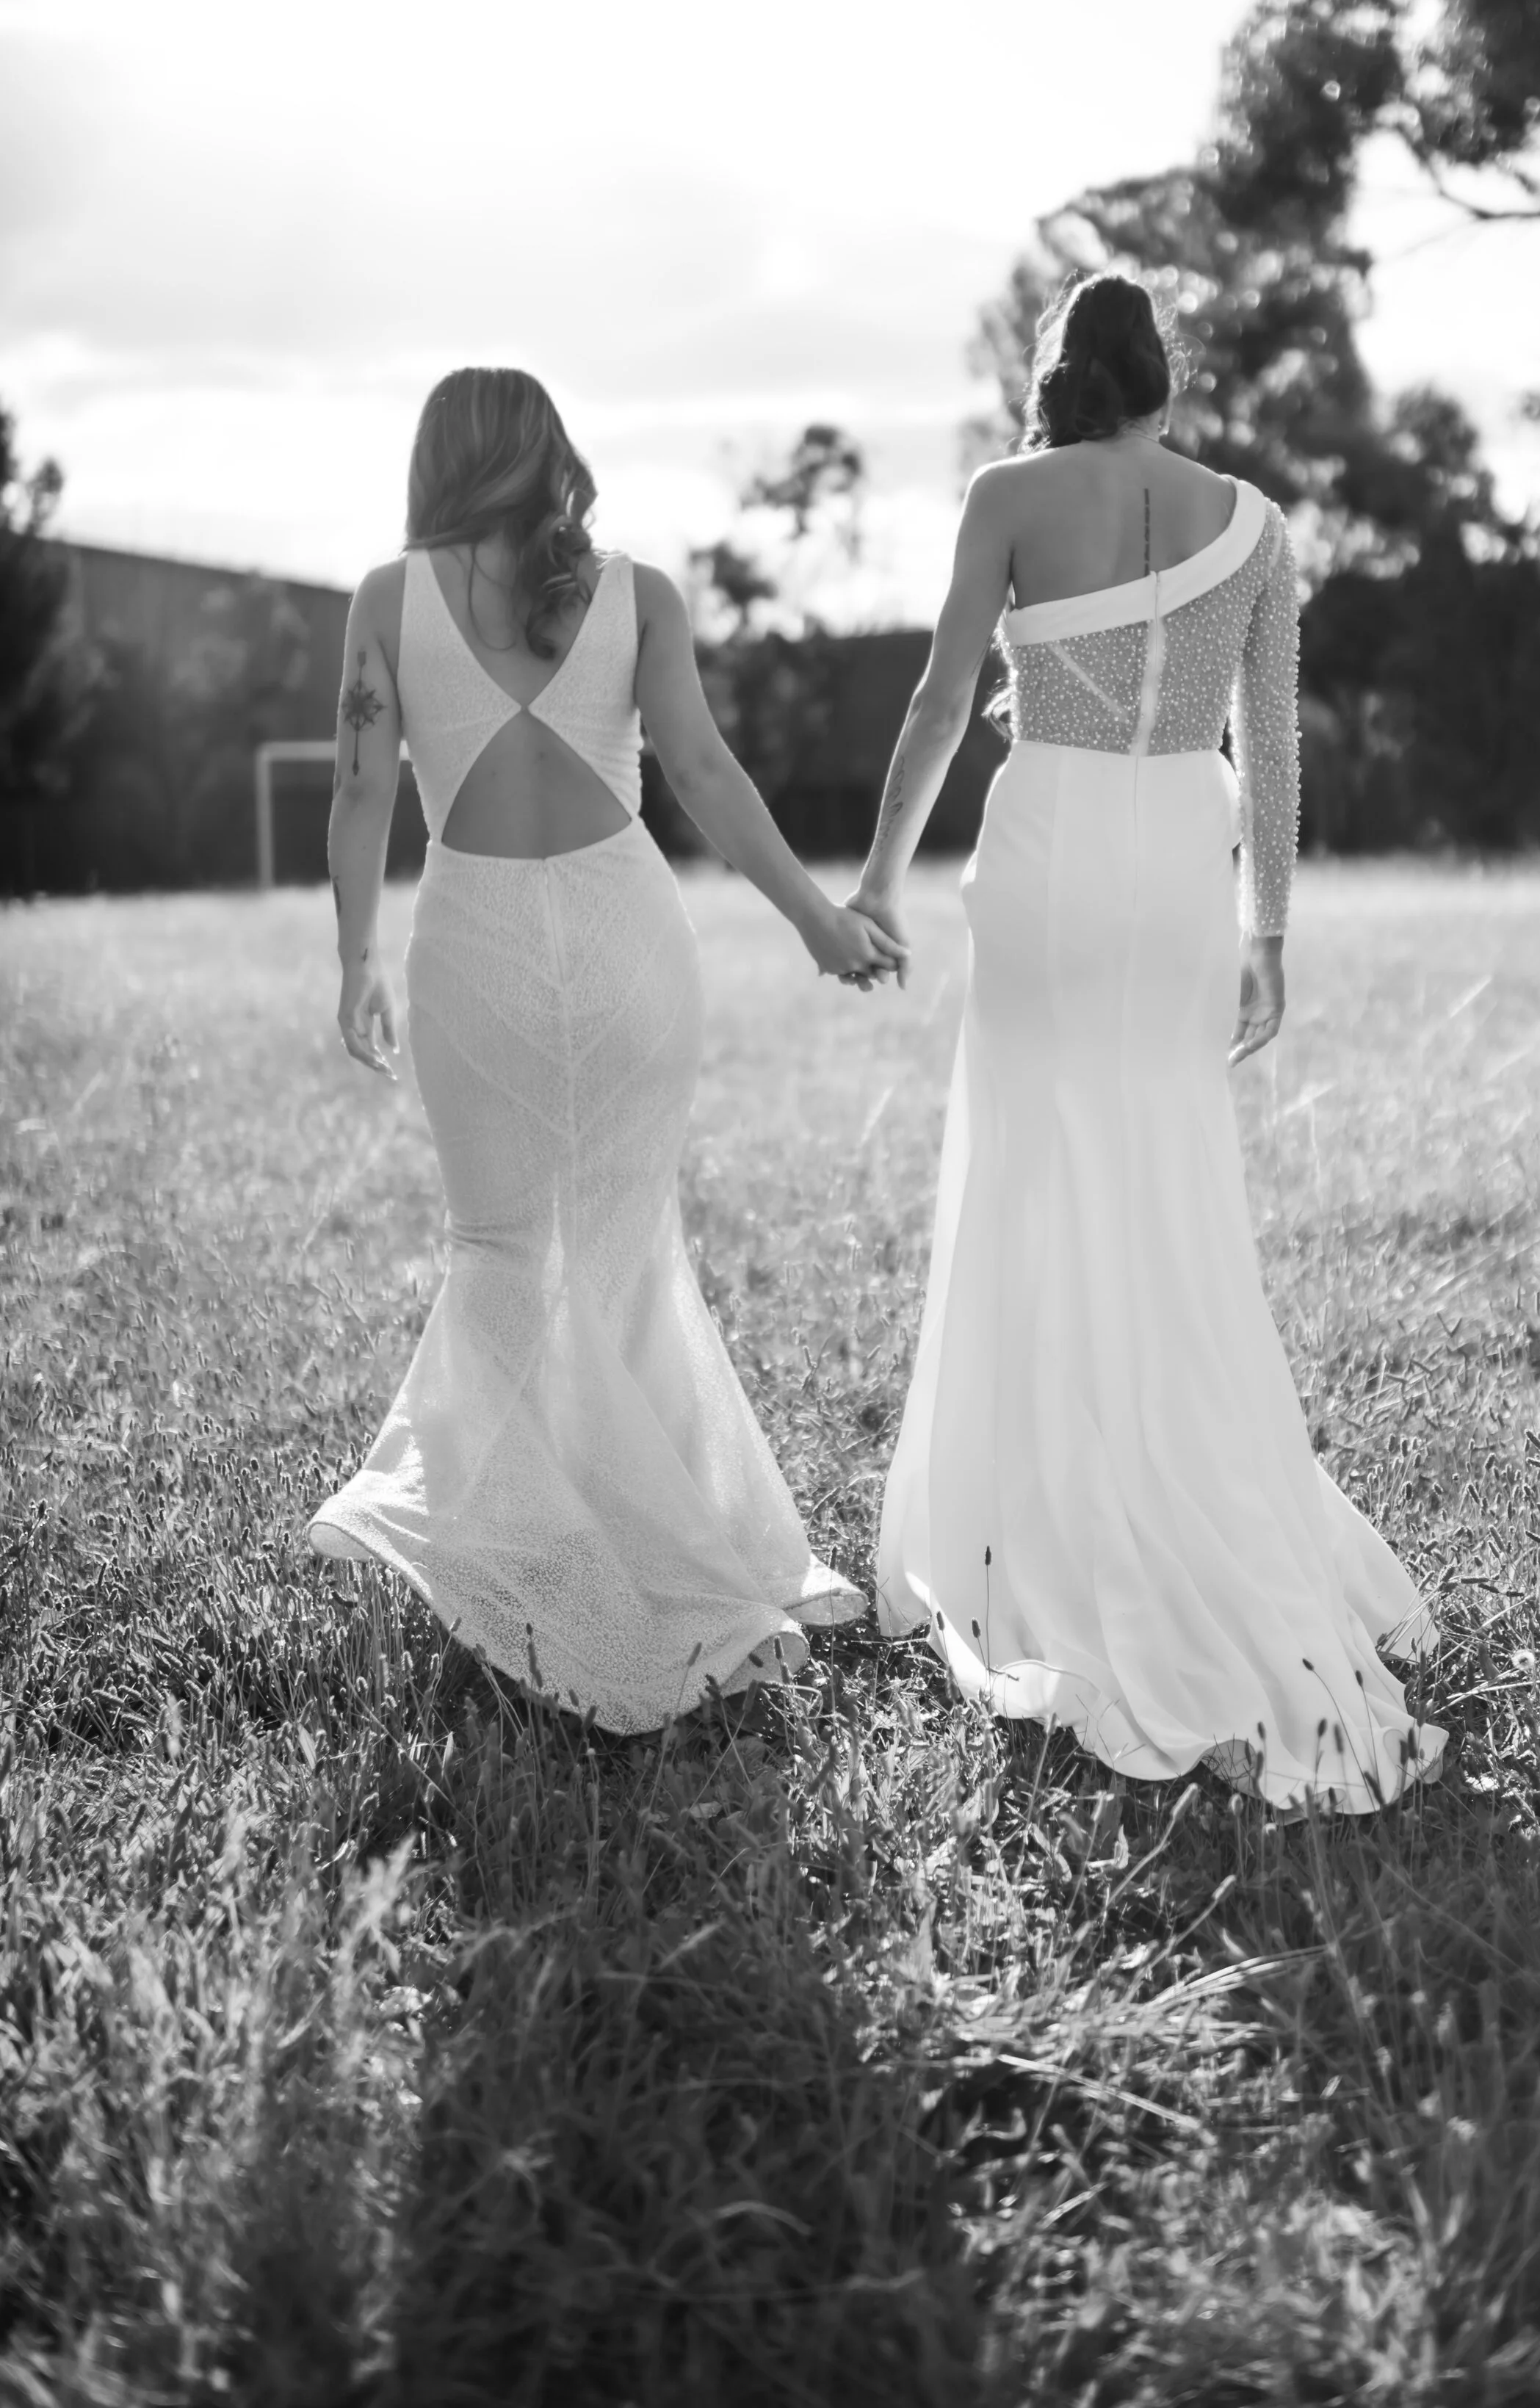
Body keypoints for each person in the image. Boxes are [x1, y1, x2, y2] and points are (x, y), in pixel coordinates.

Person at [852, 275, 1443, 1812]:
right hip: (1183, 856)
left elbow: (937, 702)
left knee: (1034, 1170)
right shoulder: (1252, 521)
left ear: (1058, 380)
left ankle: (1034, 1518)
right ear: (1161, 378)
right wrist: (1268, 933)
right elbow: (1273, 741)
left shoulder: (1007, 494)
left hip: (1052, 844)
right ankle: (1173, 1484)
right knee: (1166, 1173)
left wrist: (876, 878)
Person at [308, 367, 900, 1727]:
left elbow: (357, 792)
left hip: (473, 954)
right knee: (628, 1251)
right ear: (548, 454)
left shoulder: (387, 599)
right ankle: (655, 1538)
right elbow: (704, 773)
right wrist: (816, 919)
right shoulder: (637, 594)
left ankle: (527, 1554)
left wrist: (351, 960)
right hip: (633, 947)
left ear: (438, 462)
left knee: (500, 1251)